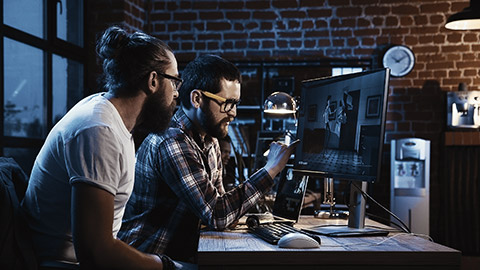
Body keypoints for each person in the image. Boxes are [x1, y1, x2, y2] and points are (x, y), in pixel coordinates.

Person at [21, 26, 180, 270]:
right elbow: (96, 252)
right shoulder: (99, 130)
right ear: (153, 81)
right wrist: (166, 266)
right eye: (175, 81)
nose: (176, 93)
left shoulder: (109, 116)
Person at [119, 54, 299, 262]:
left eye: (236, 103)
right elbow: (218, 214)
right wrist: (271, 169)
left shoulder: (208, 139)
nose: (233, 113)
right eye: (228, 103)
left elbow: (220, 205)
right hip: (148, 258)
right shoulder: (172, 141)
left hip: (177, 255)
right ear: (197, 99)